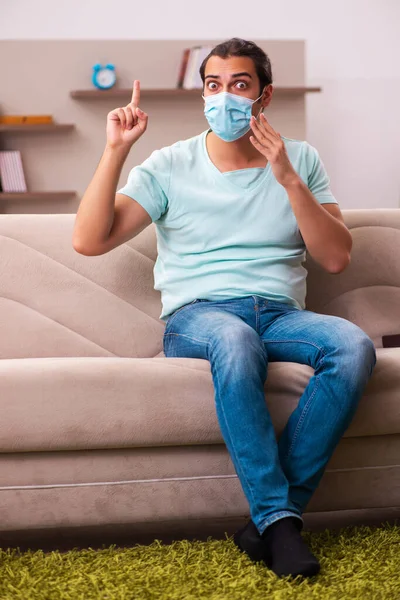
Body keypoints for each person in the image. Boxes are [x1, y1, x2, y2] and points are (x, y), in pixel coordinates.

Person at [73, 38, 377, 579]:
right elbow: (89, 241)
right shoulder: (170, 164)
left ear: (264, 96)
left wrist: (286, 177)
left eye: (240, 84)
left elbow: (336, 257)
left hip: (282, 314)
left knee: (352, 345)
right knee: (238, 341)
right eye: (214, 85)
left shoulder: (300, 158)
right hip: (200, 317)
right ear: (203, 94)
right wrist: (116, 150)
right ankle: (282, 526)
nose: (225, 97)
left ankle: (267, 522)